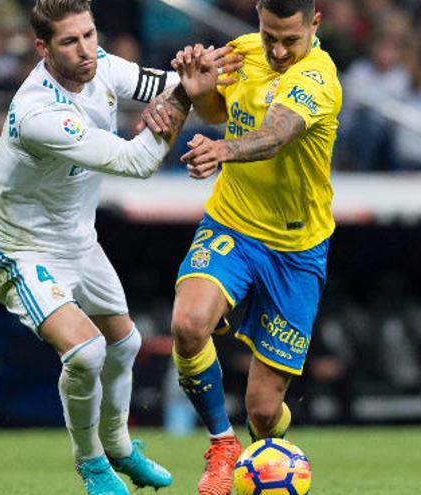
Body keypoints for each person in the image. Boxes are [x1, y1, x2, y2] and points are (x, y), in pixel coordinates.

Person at [0, 1, 240, 493]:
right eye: (69, 42)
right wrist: (183, 99)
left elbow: (168, 84)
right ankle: (92, 462)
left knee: (126, 344)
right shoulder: (40, 113)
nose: (86, 49)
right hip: (22, 252)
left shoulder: (104, 66)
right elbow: (135, 163)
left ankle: (119, 445)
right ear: (43, 48)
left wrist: (208, 68)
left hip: (79, 242)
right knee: (87, 352)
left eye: (90, 34)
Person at [153, 1, 342, 493]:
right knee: (188, 324)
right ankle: (221, 444)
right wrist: (199, 89)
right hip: (232, 224)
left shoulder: (319, 76)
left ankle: (273, 454)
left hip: (296, 249)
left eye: (290, 41)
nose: (278, 50)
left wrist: (222, 150)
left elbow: (276, 134)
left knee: (262, 409)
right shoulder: (243, 51)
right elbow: (221, 110)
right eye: (269, 35)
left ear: (314, 23)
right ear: (258, 16)